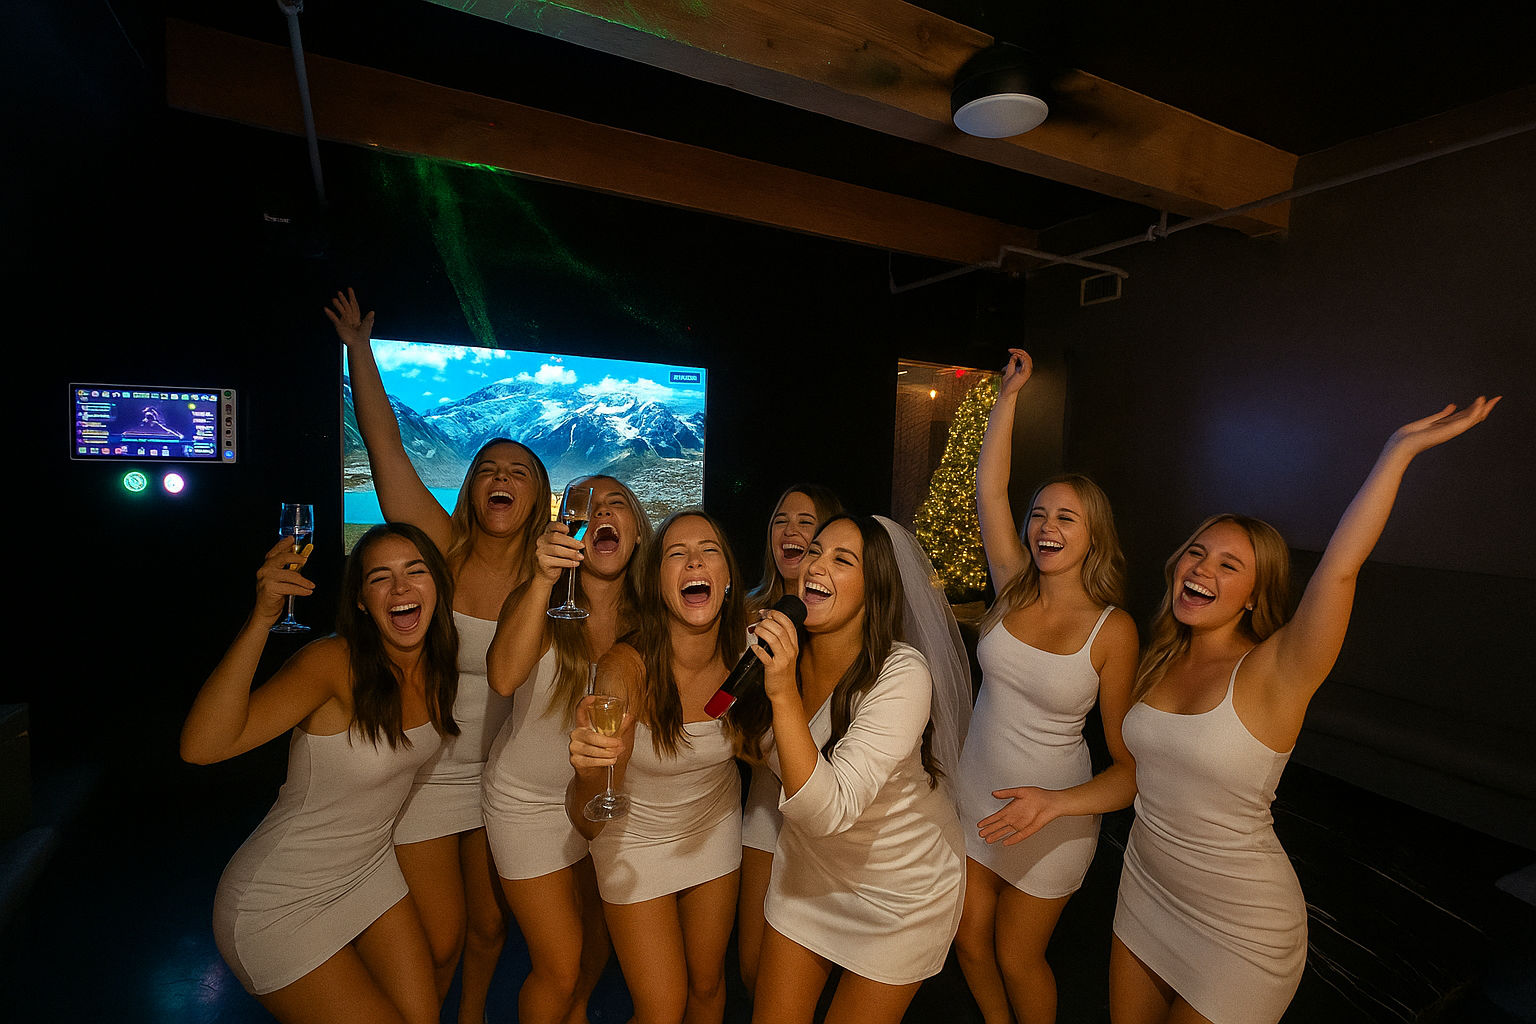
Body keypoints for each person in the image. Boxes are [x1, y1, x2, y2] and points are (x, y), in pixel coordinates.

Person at [1111, 396, 1501, 1024]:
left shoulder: (1277, 670)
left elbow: (1340, 572)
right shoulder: (1161, 655)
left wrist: (1396, 452)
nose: (1202, 569)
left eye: (1229, 565)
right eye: (1196, 553)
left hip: (1240, 926)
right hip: (1145, 887)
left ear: (1253, 595)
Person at [327, 288, 552, 1022]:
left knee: (489, 928)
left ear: (539, 497)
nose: (501, 478)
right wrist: (360, 350)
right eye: (488, 468)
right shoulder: (442, 553)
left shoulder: (551, 583)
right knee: (443, 936)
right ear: (472, 489)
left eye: (519, 471)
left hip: (502, 776)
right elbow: (386, 451)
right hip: (426, 767)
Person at [182, 523, 459, 1024]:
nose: (400, 588)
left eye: (415, 571)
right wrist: (261, 620)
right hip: (279, 900)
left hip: (368, 870)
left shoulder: (437, 666)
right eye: (380, 578)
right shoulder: (332, 662)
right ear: (360, 602)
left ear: (437, 584)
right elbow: (202, 747)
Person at [954, 349, 1141, 1024]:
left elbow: (1129, 769)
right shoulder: (1012, 585)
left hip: (1054, 818)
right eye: (1039, 514)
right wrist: (1007, 399)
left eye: (1066, 517)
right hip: (975, 796)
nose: (1046, 527)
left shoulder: (1113, 630)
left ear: (1094, 537)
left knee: (1017, 956)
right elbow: (990, 492)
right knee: (967, 940)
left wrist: (1056, 805)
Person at [735, 514, 972, 1024]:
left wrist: (782, 692)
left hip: (899, 891)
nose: (816, 565)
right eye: (815, 552)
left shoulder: (901, 674)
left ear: (875, 589)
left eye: (842, 560)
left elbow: (830, 810)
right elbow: (736, 734)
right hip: (809, 871)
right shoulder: (778, 654)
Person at [482, 475, 652, 1024]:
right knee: (558, 965)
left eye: (615, 504)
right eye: (585, 506)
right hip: (526, 804)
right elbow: (503, 678)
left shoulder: (651, 617)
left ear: (637, 533)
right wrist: (541, 580)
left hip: (601, 800)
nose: (599, 512)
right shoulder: (541, 599)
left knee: (596, 946)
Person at [567, 510, 747, 1024]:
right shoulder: (624, 668)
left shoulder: (748, 655)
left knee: (708, 988)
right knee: (662, 1009)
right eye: (676, 553)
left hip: (712, 826)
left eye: (709, 550)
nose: (694, 561)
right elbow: (586, 822)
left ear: (728, 578)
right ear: (657, 582)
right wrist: (591, 772)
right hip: (634, 841)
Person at [738, 482, 843, 996]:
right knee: (752, 965)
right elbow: (722, 710)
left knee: (809, 963)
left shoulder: (843, 626)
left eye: (806, 522)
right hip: (766, 799)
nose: (790, 530)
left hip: (835, 808)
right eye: (781, 520)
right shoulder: (746, 614)